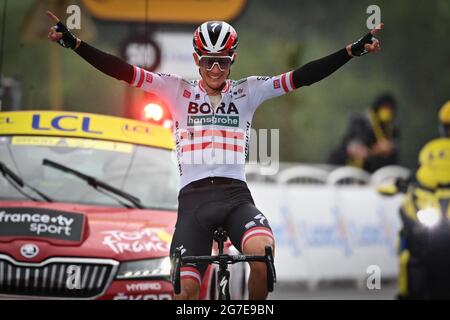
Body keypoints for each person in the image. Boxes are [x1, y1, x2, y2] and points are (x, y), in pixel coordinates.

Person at [46, 11, 383, 299]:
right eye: (208, 61)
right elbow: (122, 70)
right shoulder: (173, 88)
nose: (216, 69)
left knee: (263, 255)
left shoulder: (248, 91)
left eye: (222, 61)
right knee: (184, 291)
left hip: (236, 198)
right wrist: (75, 44)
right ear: (197, 60)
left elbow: (302, 77)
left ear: (232, 59)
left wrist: (350, 51)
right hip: (193, 203)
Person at [328, 93, 398, 173]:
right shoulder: (362, 122)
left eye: (389, 108)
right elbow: (353, 145)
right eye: (384, 107)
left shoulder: (392, 128)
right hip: (347, 170)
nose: (387, 111)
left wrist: (379, 150)